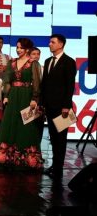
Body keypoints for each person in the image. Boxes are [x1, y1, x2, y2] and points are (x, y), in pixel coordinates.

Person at [0, 37, 44, 172]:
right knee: (9, 124)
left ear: (27, 49)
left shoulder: (33, 63)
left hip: (26, 96)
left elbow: (36, 82)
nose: (18, 50)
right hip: (13, 96)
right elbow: (7, 80)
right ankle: (6, 159)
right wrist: (6, 96)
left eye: (21, 47)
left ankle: (27, 160)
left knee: (26, 125)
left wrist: (35, 98)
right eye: (17, 47)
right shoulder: (12, 62)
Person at [40, 34, 77, 180]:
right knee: (53, 138)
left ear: (61, 44)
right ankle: (54, 165)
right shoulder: (48, 61)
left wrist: (66, 106)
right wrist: (42, 103)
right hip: (49, 106)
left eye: (52, 42)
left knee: (61, 139)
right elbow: (45, 84)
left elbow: (70, 86)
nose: (50, 44)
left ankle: (58, 168)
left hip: (62, 108)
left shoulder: (69, 62)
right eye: (50, 42)